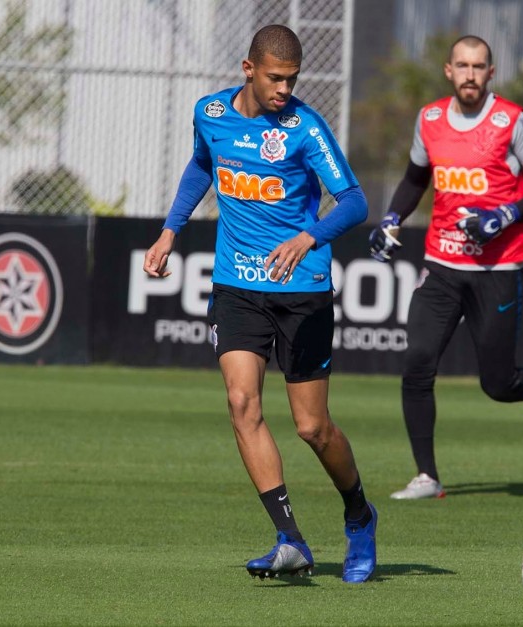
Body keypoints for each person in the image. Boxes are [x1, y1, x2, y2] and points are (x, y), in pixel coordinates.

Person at [144, 24, 377, 582]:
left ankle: (359, 514)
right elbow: (203, 165)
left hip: (302, 290)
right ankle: (290, 539)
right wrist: (170, 230)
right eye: (275, 78)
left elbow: (354, 200)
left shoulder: (304, 127)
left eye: (292, 79)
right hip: (237, 286)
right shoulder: (211, 113)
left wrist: (309, 237)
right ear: (248, 69)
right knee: (242, 404)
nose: (284, 89)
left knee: (312, 428)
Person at [368, 35, 523, 500]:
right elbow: (416, 178)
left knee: (497, 385)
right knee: (417, 361)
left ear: (490, 73)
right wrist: (392, 218)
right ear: (448, 71)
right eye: (462, 66)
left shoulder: (510, 120)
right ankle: (427, 476)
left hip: (498, 267)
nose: (470, 75)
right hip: (442, 263)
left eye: (479, 67)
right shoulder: (430, 119)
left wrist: (505, 215)